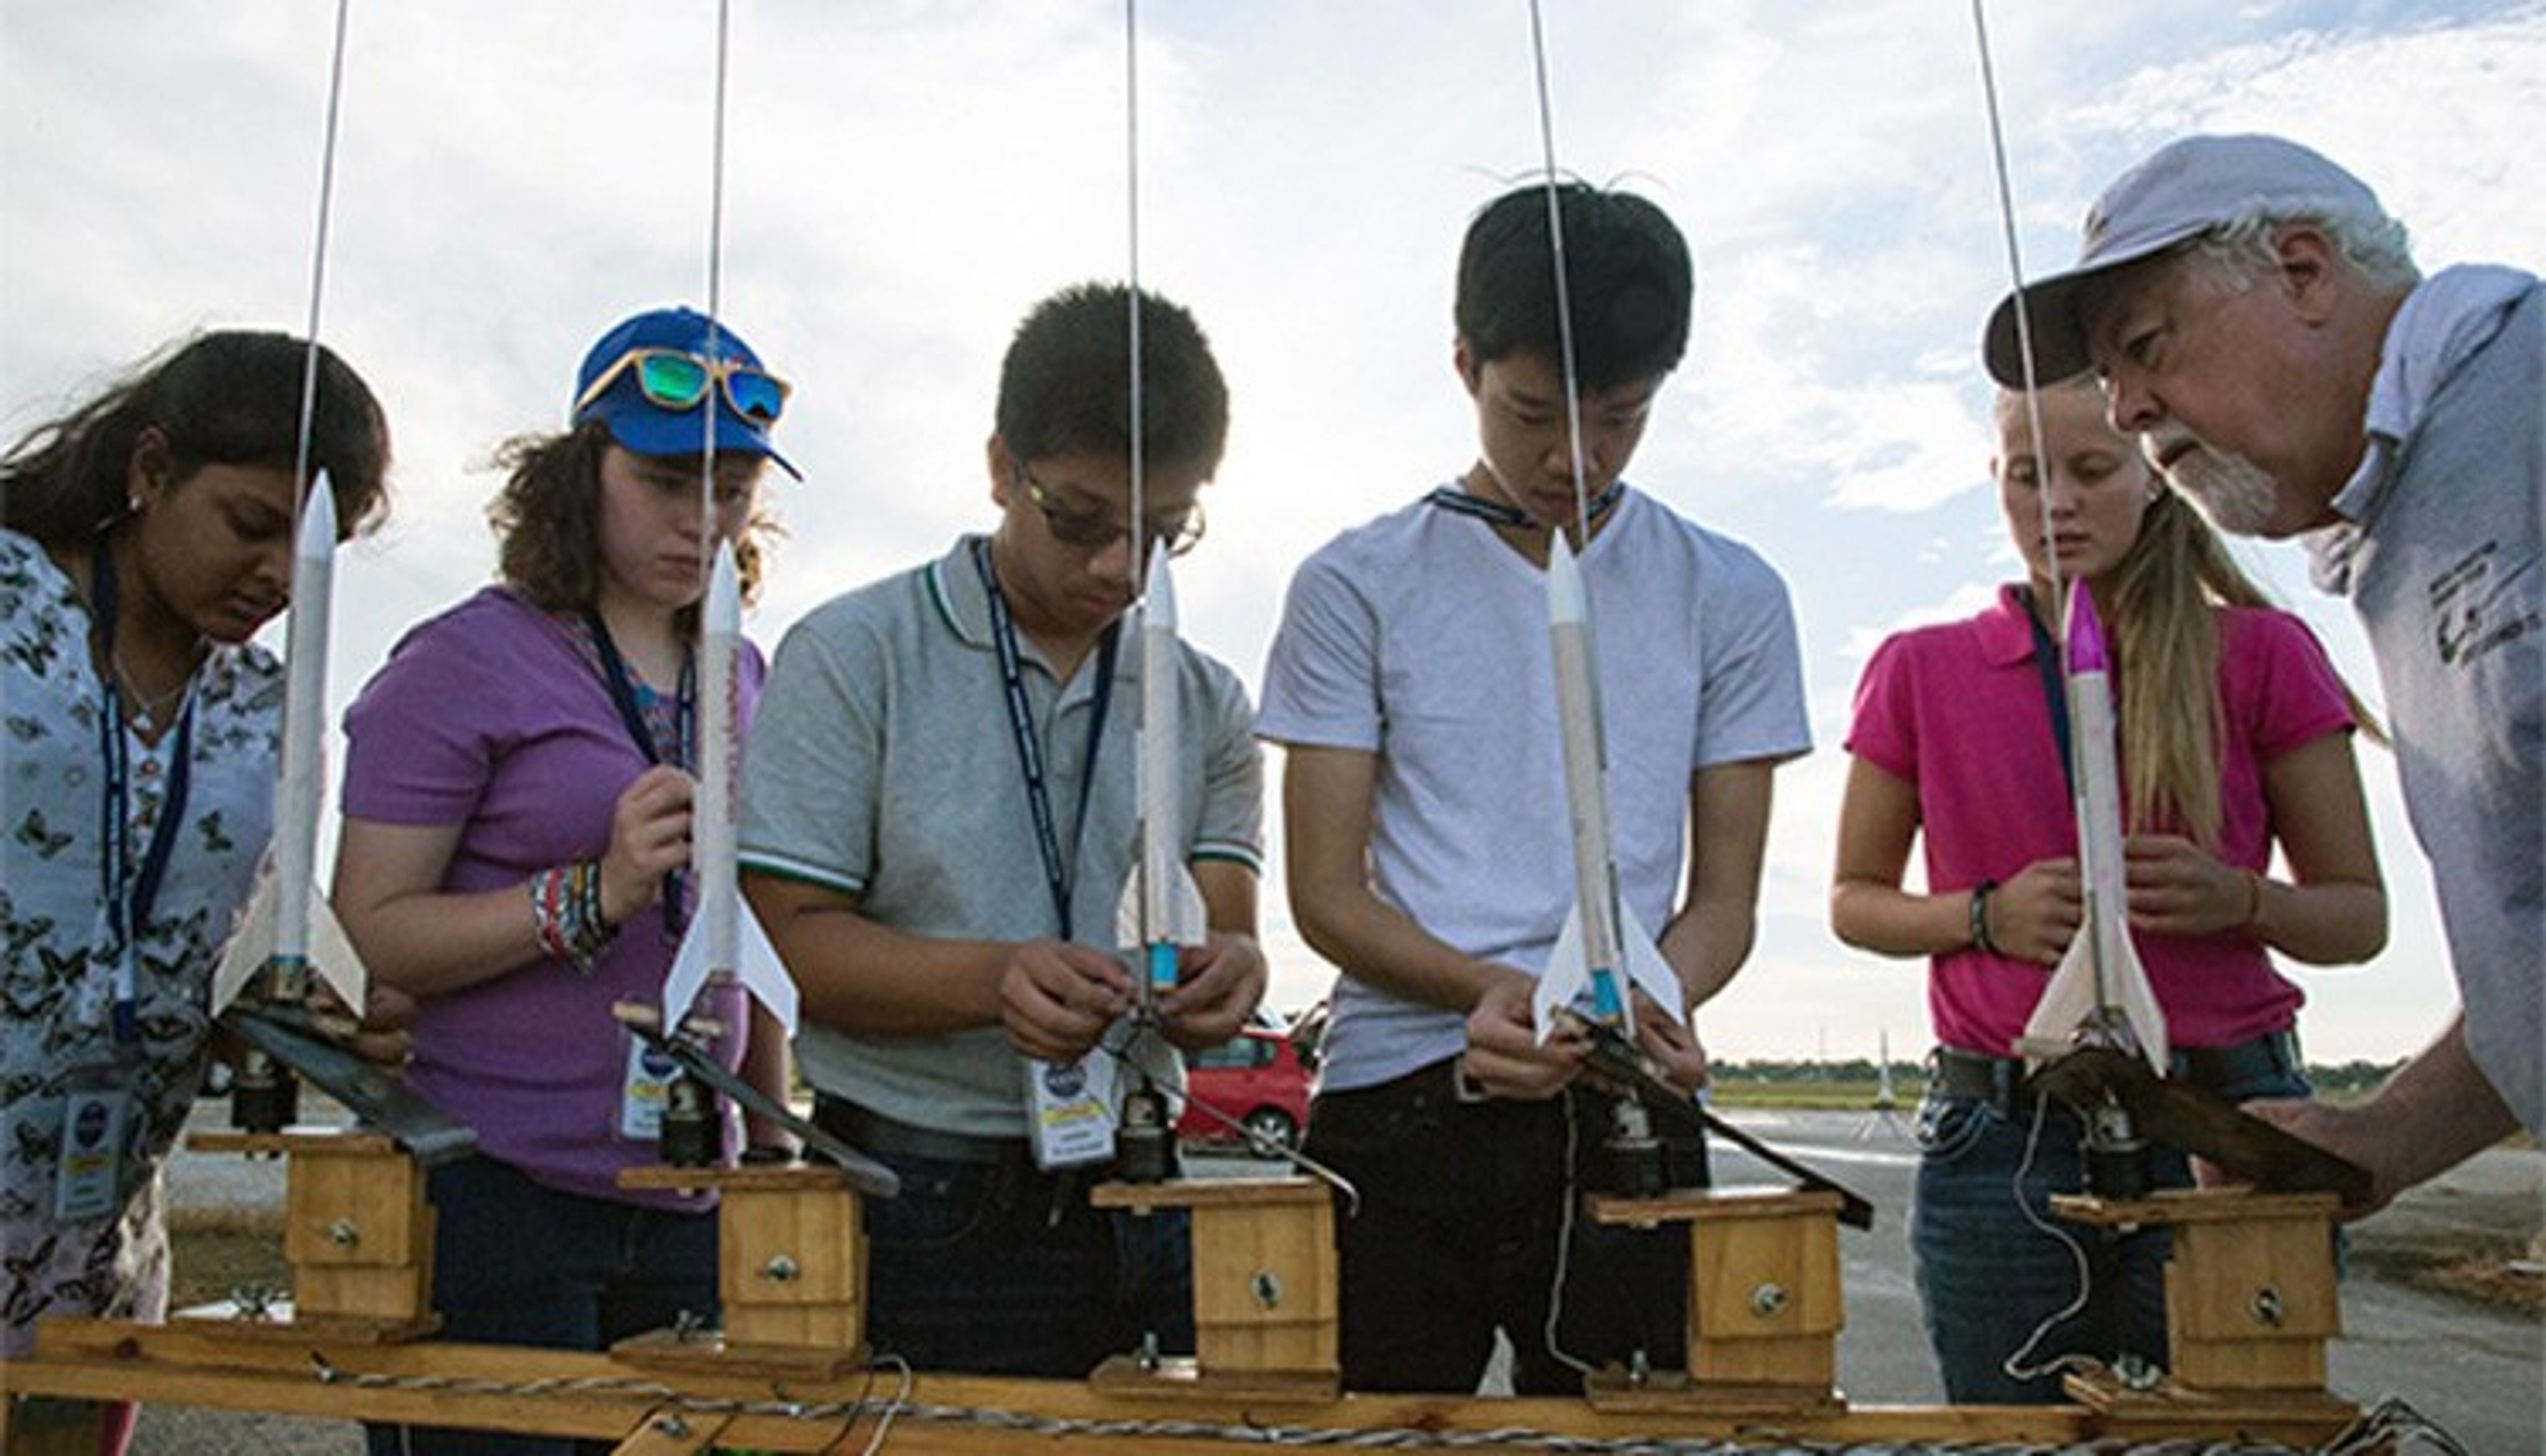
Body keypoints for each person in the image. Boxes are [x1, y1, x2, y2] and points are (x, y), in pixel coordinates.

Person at [1256, 181, 1810, 1393]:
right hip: (1397, 1101)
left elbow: (1723, 897)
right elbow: (1323, 894)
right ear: (1461, 361)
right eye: (1528, 411)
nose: (1573, 456)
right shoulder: (1354, 581)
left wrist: (1641, 995)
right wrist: (1484, 989)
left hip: (1622, 1094)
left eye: (1619, 417)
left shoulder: (1729, 589)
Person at [1982, 133, 2542, 1214]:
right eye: (2109, 379)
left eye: (2147, 346)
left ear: (2302, 269)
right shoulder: (2396, 538)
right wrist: (2385, 1137)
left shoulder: (2525, 405)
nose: (2129, 408)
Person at [738, 281, 1265, 1378]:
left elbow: (1224, 924)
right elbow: (792, 947)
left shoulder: (1205, 699)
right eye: (1080, 520)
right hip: (928, 1199)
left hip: (1144, 1186)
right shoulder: (854, 655)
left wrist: (1231, 978)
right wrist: (998, 981)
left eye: (1167, 531)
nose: (1123, 567)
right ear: (997, 467)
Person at [1831, 374, 2387, 1402]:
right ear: (1994, 481)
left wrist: (2244, 901)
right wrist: (1984, 915)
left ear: (2156, 473)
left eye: (2091, 472)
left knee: (2240, 1423)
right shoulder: (1921, 669)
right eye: (2028, 477)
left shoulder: (2262, 653)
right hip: (2001, 1138)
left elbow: (2358, 918)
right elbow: (1856, 900)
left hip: (2224, 1119)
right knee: (2015, 1427)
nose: (2057, 505)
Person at [333, 306, 797, 1456]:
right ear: (578, 471)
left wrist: (776, 1141)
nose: (702, 520)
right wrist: (588, 894)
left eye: (732, 488)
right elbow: (375, 931)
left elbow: (750, 919)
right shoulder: (462, 660)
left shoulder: (741, 669)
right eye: (662, 480)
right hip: (499, 1188)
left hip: (694, 1192)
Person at [1, 329, 392, 1454]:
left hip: (94, 1286)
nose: (278, 575)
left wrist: (308, 1024)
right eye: (249, 525)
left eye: (313, 549)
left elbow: (210, 969)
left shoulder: (264, 713)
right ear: (151, 469)